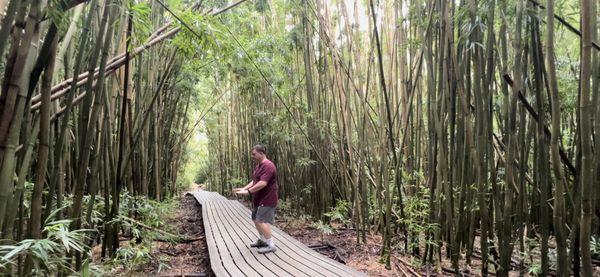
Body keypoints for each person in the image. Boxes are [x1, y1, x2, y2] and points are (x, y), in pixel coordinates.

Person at [234, 144, 278, 254]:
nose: (252, 156)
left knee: (260, 220)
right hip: (258, 199)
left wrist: (248, 191)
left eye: (254, 154)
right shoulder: (259, 166)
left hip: (267, 198)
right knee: (255, 218)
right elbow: (255, 181)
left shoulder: (269, 165)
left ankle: (271, 244)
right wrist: (243, 188)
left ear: (261, 153)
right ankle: (262, 240)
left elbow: (263, 183)